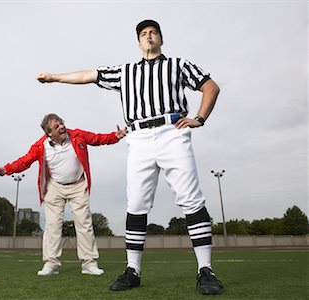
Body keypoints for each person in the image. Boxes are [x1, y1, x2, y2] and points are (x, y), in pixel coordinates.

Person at [36, 20, 223, 294]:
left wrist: (199, 118)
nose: (149, 36)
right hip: (138, 136)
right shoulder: (126, 72)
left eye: (153, 33)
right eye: (144, 34)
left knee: (190, 197)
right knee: (136, 202)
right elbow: (89, 75)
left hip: (172, 131)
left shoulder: (179, 65)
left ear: (161, 39)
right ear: (138, 42)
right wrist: (54, 77)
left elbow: (210, 87)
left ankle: (205, 271)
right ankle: (133, 270)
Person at [0, 113, 127, 276]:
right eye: (56, 126)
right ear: (49, 133)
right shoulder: (40, 146)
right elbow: (24, 162)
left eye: (61, 123)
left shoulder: (78, 135)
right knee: (53, 225)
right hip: (54, 187)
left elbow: (97, 139)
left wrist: (116, 136)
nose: (62, 126)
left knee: (84, 223)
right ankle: (51, 264)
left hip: (78, 184)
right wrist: (6, 169)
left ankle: (89, 264)